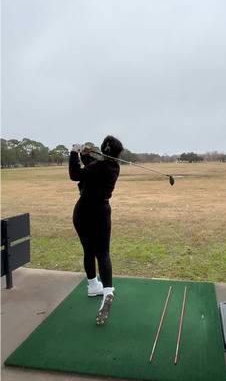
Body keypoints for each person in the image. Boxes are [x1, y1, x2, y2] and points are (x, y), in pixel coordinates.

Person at [69, 135, 123, 325]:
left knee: (89, 251)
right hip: (101, 212)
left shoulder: (98, 167)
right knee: (103, 253)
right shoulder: (114, 167)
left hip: (83, 212)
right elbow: (92, 166)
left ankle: (93, 285)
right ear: (117, 154)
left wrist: (73, 153)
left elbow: (76, 174)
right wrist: (85, 155)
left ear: (103, 150)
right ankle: (107, 291)